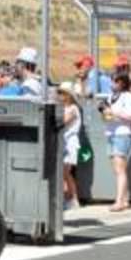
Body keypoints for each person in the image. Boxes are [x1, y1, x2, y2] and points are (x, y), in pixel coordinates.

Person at [97, 72, 131, 212]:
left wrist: (113, 112)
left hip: (122, 134)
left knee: (120, 169)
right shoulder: (110, 97)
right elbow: (108, 118)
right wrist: (104, 112)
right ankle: (124, 199)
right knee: (117, 169)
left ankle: (119, 201)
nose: (112, 84)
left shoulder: (127, 96)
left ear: (122, 83)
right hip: (111, 133)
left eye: (115, 81)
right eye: (112, 81)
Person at [57, 82, 82, 210]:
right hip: (63, 143)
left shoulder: (73, 108)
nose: (59, 95)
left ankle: (73, 199)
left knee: (65, 172)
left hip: (70, 143)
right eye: (59, 92)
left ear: (68, 95)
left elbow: (63, 122)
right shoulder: (62, 107)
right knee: (63, 173)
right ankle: (68, 198)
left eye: (62, 93)